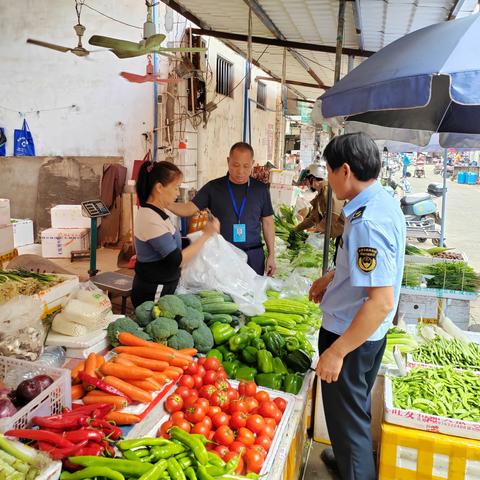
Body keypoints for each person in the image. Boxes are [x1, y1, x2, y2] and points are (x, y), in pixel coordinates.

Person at [309, 133, 405, 480]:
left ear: (345, 170)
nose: (328, 178)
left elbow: (380, 302)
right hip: (365, 336)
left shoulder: (367, 221)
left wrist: (337, 352)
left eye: (329, 171)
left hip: (350, 336)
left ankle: (356, 467)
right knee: (353, 412)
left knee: (348, 425)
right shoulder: (381, 201)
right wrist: (334, 276)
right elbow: (376, 267)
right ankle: (349, 455)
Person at [168, 142, 276, 276]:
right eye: (236, 165)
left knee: (254, 294)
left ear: (252, 163)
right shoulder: (213, 187)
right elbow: (189, 209)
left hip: (254, 255)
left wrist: (272, 254)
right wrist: (164, 203)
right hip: (224, 255)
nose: (241, 171)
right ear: (228, 161)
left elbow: (268, 222)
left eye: (246, 166)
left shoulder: (260, 190)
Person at [131, 161, 219, 308]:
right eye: (176, 187)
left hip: (164, 287)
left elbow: (172, 243)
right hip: (154, 292)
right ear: (159, 188)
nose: (178, 193)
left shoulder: (158, 212)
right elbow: (176, 260)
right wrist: (206, 235)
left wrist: (197, 240)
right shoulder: (149, 218)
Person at [295, 164, 345, 238]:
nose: (306, 183)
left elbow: (334, 214)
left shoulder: (328, 190)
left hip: (342, 235)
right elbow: (313, 218)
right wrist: (297, 229)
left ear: (312, 178)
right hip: (335, 234)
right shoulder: (320, 194)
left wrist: (320, 228)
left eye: (307, 180)